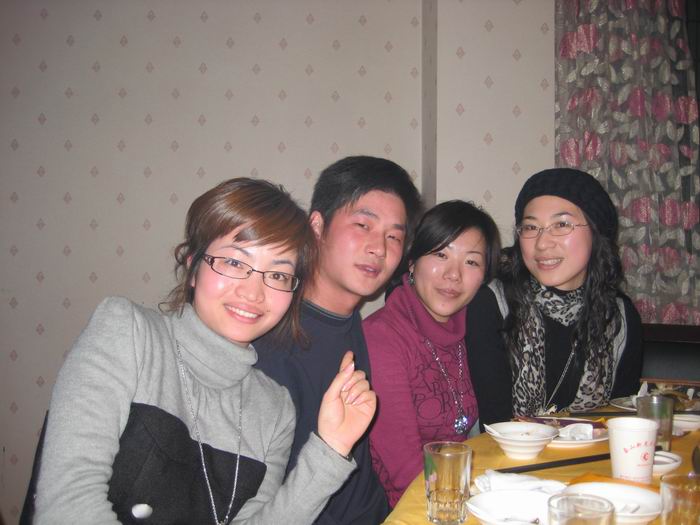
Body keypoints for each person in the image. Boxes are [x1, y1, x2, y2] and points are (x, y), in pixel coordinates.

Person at [31, 178, 378, 525]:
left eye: (277, 275)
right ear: (193, 266)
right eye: (234, 263)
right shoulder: (128, 333)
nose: (253, 292)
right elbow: (68, 503)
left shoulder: (274, 407)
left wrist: (331, 447)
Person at [255, 156, 423, 524]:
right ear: (317, 226)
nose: (379, 248)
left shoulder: (349, 321)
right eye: (363, 225)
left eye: (394, 236)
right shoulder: (273, 342)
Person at [466, 168, 643, 425]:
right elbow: (496, 423)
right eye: (530, 227)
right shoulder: (492, 304)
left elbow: (621, 421)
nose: (542, 243)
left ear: (596, 233)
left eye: (561, 224)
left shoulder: (619, 317)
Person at [363, 200, 501, 507]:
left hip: (457, 491)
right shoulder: (382, 338)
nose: (454, 275)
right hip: (403, 507)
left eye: (471, 262)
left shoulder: (470, 331)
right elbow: (406, 472)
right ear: (412, 262)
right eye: (441, 254)